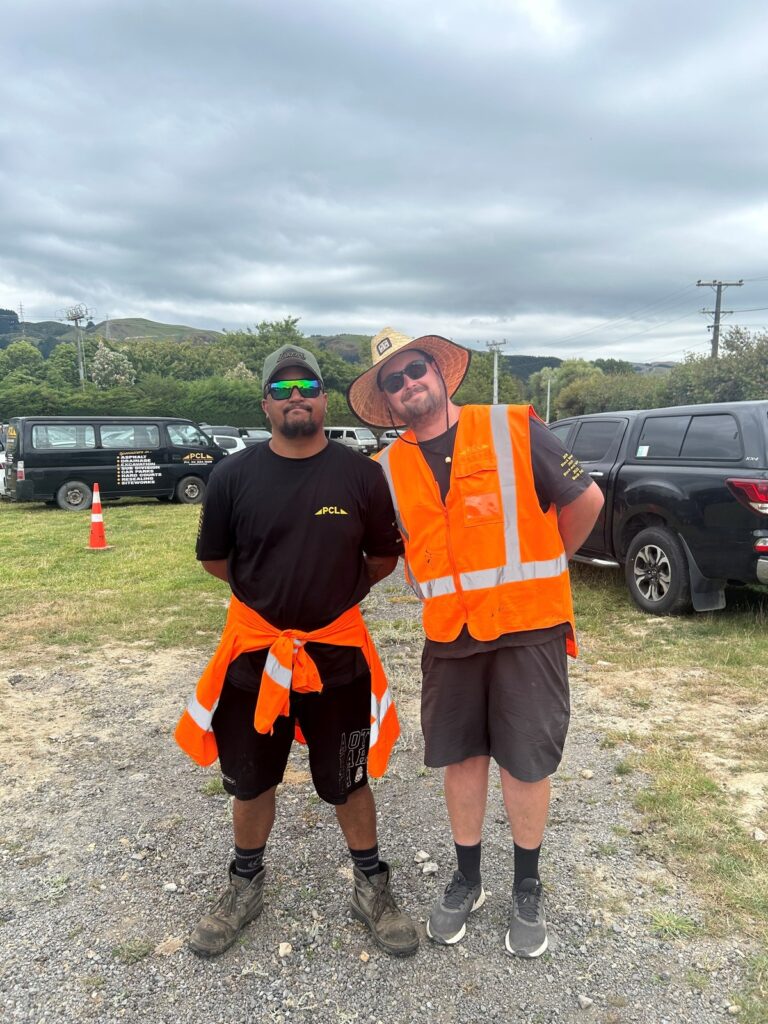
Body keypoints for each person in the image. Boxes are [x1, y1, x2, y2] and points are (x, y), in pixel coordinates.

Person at [347, 328, 604, 958]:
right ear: (387, 400)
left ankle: (527, 883)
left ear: (439, 372)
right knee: (461, 757)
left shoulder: (515, 426)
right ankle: (467, 878)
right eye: (394, 380)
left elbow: (587, 500)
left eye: (416, 370)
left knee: (525, 757)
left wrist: (548, 563)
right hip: (450, 635)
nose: (409, 384)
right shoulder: (386, 468)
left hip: (527, 628)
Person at [175, 343, 418, 959]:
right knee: (251, 781)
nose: (296, 398)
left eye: (305, 387)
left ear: (323, 398)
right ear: (265, 405)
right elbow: (214, 558)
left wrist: (334, 600)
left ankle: (371, 885)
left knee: (347, 779)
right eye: (281, 391)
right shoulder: (233, 475)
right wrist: (268, 601)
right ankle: (245, 885)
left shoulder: (360, 474)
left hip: (336, 656)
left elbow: (384, 557)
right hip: (254, 657)